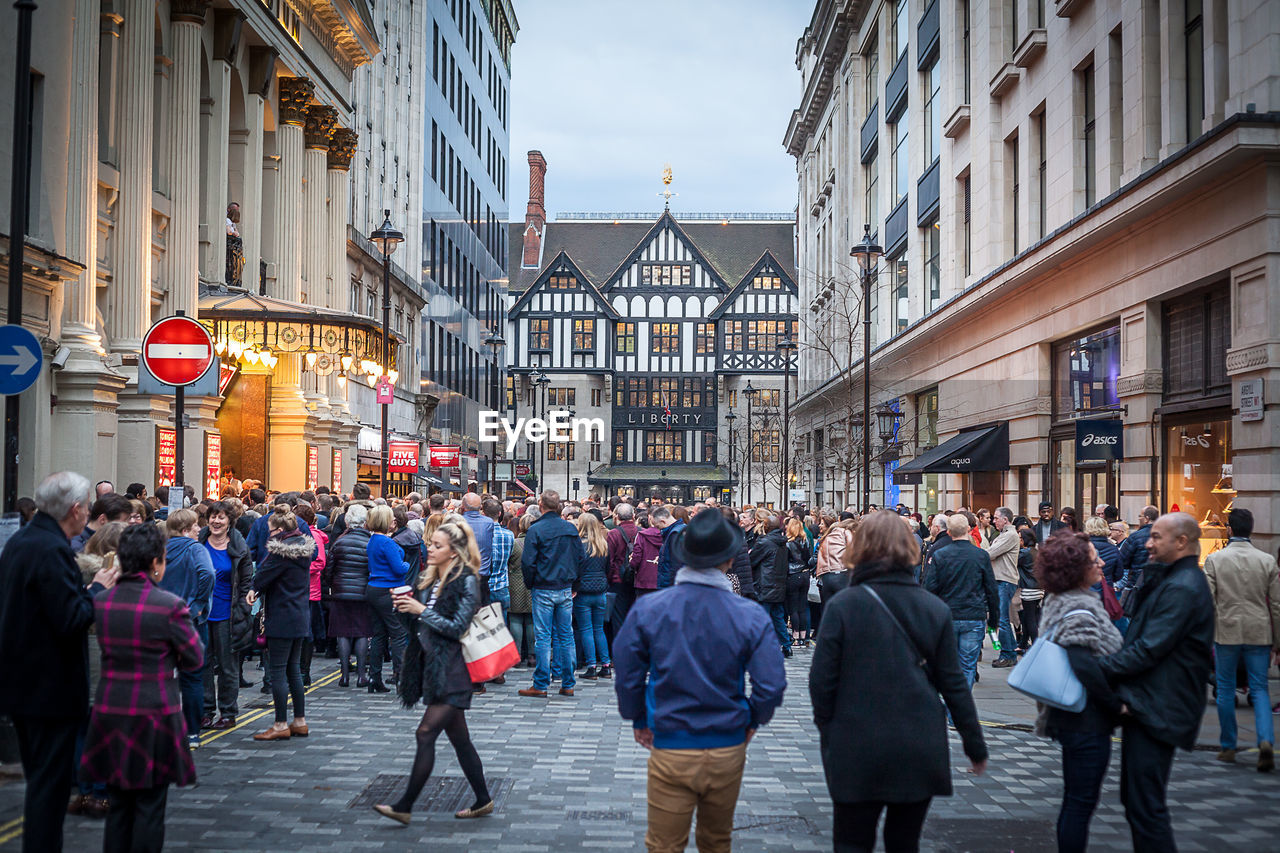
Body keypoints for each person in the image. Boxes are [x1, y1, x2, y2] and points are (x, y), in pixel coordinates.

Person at [810, 511, 988, 853]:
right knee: (905, 842)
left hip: (855, 739)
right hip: (917, 739)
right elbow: (952, 684)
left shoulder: (844, 605)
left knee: (851, 840)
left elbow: (822, 682)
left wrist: (830, 730)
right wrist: (974, 744)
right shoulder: (933, 608)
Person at [613, 509, 786, 853]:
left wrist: (638, 717)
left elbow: (628, 671)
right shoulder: (748, 614)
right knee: (717, 841)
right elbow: (771, 683)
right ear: (728, 560)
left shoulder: (652, 609)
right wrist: (752, 719)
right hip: (726, 742)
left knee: (664, 845)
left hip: (672, 740)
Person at [0, 472, 119, 852]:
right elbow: (71, 619)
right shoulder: (51, 550)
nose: (87, 513)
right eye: (85, 506)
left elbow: (45, 606)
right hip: (49, 688)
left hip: (25, 683)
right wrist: (98, 589)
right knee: (48, 791)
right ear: (75, 509)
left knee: (42, 781)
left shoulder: (23, 541)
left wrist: (81, 592)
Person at [80, 522, 203, 853]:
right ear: (154, 563)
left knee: (118, 804)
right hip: (154, 711)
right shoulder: (170, 606)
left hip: (110, 708)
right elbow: (194, 658)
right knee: (149, 807)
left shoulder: (102, 602)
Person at [1097, 512, 1214, 850]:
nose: (1147, 542)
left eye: (1156, 537)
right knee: (1138, 802)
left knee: (1146, 806)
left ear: (1181, 542)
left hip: (1159, 707)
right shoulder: (1171, 580)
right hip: (1151, 704)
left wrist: (1096, 668)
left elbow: (1148, 649)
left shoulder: (1183, 587)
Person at [375, 521, 493, 824]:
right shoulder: (430, 578)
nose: (430, 548)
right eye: (431, 543)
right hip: (432, 665)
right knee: (460, 740)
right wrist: (403, 609)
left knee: (425, 733)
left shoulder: (467, 580)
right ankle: (483, 799)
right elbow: (418, 628)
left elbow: (457, 628)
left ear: (453, 553)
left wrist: (420, 610)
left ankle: (404, 806)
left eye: (438, 546)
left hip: (454, 669)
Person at [1035, 532, 1125, 853]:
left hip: (1074, 717)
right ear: (1075, 568)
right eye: (1093, 559)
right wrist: (1116, 705)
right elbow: (1082, 663)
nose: (1101, 562)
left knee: (1076, 800)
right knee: (1080, 803)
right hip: (1085, 718)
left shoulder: (1064, 599)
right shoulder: (1079, 606)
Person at [1202, 507, 1279, 771]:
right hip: (1259, 631)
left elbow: (1208, 602)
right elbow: (1277, 606)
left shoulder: (1215, 560)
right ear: (1252, 529)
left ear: (1229, 529)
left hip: (1226, 631)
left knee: (1225, 688)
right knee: (1259, 690)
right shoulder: (1266, 560)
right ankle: (1266, 741)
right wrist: (1277, 641)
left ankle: (1228, 746)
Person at [248, 506, 313, 741]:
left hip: (281, 616)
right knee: (293, 669)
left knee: (277, 671)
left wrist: (254, 589)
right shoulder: (303, 549)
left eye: (269, 531)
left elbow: (262, 576)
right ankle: (300, 721)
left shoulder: (280, 553)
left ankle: (279, 724)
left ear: (277, 530)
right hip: (300, 614)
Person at [519, 491, 586, 698]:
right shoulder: (569, 529)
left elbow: (528, 562)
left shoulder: (536, 529)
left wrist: (531, 583)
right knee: (565, 637)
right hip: (564, 586)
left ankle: (540, 684)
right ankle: (568, 682)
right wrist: (575, 584)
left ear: (541, 505)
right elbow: (580, 558)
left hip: (544, 587)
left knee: (543, 637)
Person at [923, 514, 999, 686]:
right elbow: (991, 590)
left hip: (947, 616)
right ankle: (960, 707)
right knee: (968, 665)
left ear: (949, 532)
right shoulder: (980, 556)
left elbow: (930, 588)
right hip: (973, 615)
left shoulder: (941, 555)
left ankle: (950, 707)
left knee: (947, 664)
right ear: (969, 530)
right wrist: (993, 620)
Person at [199, 501, 253, 730]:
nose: (216, 521)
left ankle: (228, 713)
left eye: (221, 517)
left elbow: (247, 581)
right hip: (201, 614)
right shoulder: (199, 543)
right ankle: (205, 711)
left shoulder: (239, 546)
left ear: (230, 521)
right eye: (213, 516)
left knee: (228, 667)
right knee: (202, 665)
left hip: (227, 615)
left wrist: (243, 607)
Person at [323, 503, 373, 687]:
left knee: (342, 633)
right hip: (362, 592)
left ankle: (344, 676)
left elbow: (329, 570)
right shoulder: (370, 542)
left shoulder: (339, 542)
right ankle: (361, 676)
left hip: (340, 592)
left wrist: (331, 585)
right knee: (362, 632)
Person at [366, 505, 411, 694]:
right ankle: (402, 677)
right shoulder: (388, 543)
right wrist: (408, 563)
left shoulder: (373, 540)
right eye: (391, 518)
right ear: (385, 521)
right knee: (399, 633)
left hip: (374, 589)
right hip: (389, 589)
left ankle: (374, 678)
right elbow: (399, 568)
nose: (395, 521)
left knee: (379, 635)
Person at [573, 512, 611, 679]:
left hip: (583, 591)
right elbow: (608, 569)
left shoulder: (579, 545)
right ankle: (606, 664)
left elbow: (576, 569)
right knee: (599, 629)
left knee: (586, 629)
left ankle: (591, 665)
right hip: (600, 590)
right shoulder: (603, 544)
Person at [294, 503, 328, 686]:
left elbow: (319, 562)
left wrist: (298, 569)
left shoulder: (314, 536)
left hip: (309, 591)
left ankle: (304, 672)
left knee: (306, 632)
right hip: (296, 591)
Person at [751, 515, 792, 657]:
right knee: (778, 617)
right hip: (779, 584)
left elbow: (752, 560)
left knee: (762, 618)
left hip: (765, 585)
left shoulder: (765, 542)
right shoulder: (782, 543)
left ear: (767, 527)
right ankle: (786, 645)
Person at [985, 508, 1021, 668]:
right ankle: (1010, 652)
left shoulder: (1010, 535)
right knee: (1001, 618)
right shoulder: (1004, 535)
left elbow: (990, 553)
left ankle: (1007, 654)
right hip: (1001, 580)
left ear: (1005, 520)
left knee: (1002, 619)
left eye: (997, 518)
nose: (994, 521)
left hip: (1005, 580)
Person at [1115, 505, 1159, 604]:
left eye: (1140, 516)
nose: (1139, 519)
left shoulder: (1135, 536)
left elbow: (1123, 561)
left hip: (1136, 584)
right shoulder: (1166, 535)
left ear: (1147, 519)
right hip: (1159, 586)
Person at [508, 514, 534, 666]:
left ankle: (516, 655)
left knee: (515, 619)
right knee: (531, 621)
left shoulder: (515, 543)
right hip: (532, 585)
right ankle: (532, 655)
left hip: (515, 583)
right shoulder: (537, 543)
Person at [460, 492, 496, 602]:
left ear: (463, 507)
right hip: (482, 575)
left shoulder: (458, 521)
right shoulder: (488, 522)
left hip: (462, 575)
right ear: (480, 507)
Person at [783, 518, 812, 647]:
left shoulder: (788, 544)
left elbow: (785, 562)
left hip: (793, 575)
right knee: (802, 606)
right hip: (805, 574)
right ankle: (803, 636)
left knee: (793, 608)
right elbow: (809, 558)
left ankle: (795, 637)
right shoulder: (805, 542)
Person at [815, 518, 856, 604]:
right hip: (841, 573)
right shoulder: (846, 532)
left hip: (825, 575)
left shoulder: (828, 535)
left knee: (828, 607)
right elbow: (853, 551)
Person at [1015, 529, 1043, 648]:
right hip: (1039, 588)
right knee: (1028, 617)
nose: (1019, 540)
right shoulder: (1036, 551)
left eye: (1020, 538)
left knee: (1030, 619)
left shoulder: (1025, 553)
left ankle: (1035, 647)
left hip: (1029, 589)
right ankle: (1023, 644)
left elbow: (1014, 561)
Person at [485, 499, 512, 618]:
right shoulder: (509, 535)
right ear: (500, 514)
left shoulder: (479, 533)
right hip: (501, 585)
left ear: (484, 514)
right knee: (502, 629)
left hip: (484, 585)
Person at [630, 508, 666, 598]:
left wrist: (632, 562)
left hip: (644, 580)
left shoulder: (642, 535)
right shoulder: (669, 535)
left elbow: (636, 559)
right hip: (663, 580)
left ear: (650, 518)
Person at [655, 505, 688, 589]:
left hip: (671, 585)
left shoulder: (675, 534)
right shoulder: (679, 530)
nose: (659, 530)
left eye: (658, 526)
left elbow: (677, 564)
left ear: (663, 521)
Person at [1085, 517, 1121, 586]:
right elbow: (1118, 574)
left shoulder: (1082, 546)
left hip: (1086, 588)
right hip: (1105, 588)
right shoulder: (1113, 549)